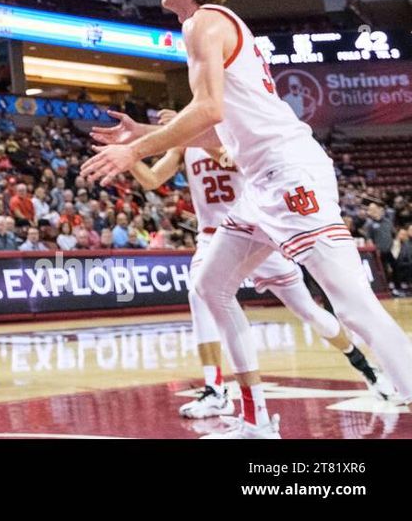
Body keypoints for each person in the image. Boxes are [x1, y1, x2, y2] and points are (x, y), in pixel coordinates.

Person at [83, 0, 412, 438]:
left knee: (352, 305)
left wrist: (137, 152)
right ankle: (257, 420)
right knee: (209, 285)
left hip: (289, 172)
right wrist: (138, 139)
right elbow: (221, 133)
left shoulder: (204, 23)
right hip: (260, 185)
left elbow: (210, 109)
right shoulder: (208, 28)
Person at [132, 131, 393, 419]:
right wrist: (126, 154)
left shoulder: (236, 133)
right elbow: (151, 180)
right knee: (199, 293)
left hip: (256, 235)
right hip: (211, 237)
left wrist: (193, 132)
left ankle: (365, 366)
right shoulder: (184, 144)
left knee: (308, 311)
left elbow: (232, 161)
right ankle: (215, 390)